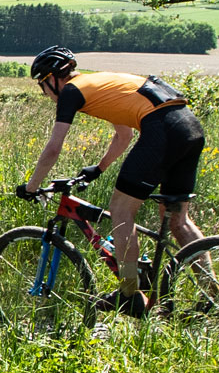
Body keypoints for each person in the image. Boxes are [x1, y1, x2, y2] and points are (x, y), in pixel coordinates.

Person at [16, 45, 205, 314]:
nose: (44, 93)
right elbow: (123, 135)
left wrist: (31, 186)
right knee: (178, 220)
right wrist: (100, 168)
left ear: (52, 79)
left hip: (161, 129)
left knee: (121, 210)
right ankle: (215, 296)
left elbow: (54, 146)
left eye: (41, 85)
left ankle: (129, 294)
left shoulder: (72, 90)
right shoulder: (99, 82)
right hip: (188, 127)